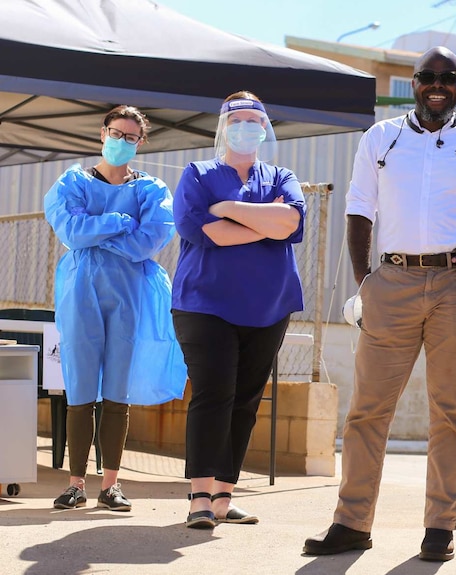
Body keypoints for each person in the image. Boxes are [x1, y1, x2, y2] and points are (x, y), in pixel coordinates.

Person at [303, 46, 456, 562]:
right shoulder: (380, 138)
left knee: (450, 411)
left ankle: (440, 528)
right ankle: (351, 523)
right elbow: (358, 209)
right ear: (414, 83)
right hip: (391, 282)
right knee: (368, 411)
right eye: (427, 77)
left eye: (448, 78)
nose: (437, 84)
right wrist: (366, 282)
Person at [171, 91, 305, 529]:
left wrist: (228, 210)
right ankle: (200, 500)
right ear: (224, 128)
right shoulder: (197, 173)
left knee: (246, 399)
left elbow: (291, 223)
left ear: (266, 128)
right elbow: (207, 232)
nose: (246, 127)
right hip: (205, 305)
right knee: (213, 395)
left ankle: (225, 498)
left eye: (255, 120)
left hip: (269, 306)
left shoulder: (282, 175)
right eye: (238, 120)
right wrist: (265, 222)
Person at [44, 105, 187, 512]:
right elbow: (69, 229)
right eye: (115, 132)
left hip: (128, 294)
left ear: (141, 143)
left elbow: (150, 240)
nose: (121, 141)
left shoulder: (152, 189)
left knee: (116, 388)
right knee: (80, 384)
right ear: (101, 133)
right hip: (80, 290)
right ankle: (76, 484)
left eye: (130, 136)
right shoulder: (72, 181)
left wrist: (97, 228)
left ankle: (110, 484)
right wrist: (122, 220)